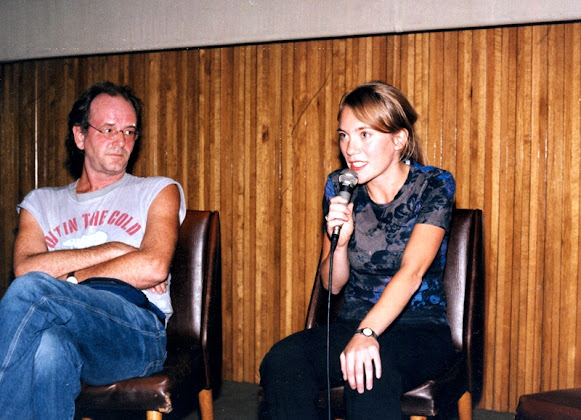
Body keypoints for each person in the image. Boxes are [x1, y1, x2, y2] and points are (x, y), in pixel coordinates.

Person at [260, 81, 458, 419]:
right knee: (282, 361)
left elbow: (412, 273)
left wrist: (367, 333)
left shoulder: (433, 184)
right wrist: (340, 243)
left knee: (369, 376)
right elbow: (332, 284)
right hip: (353, 321)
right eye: (344, 135)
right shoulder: (340, 186)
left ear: (399, 139)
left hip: (419, 327)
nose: (350, 148)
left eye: (364, 134)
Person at [0, 81, 186, 419]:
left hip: (134, 331)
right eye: (109, 129)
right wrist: (115, 249)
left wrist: (66, 279)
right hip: (61, 330)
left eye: (129, 131)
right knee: (48, 350)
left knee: (33, 291)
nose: (121, 140)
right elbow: (25, 269)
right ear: (80, 136)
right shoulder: (40, 203)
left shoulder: (157, 191)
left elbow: (153, 267)